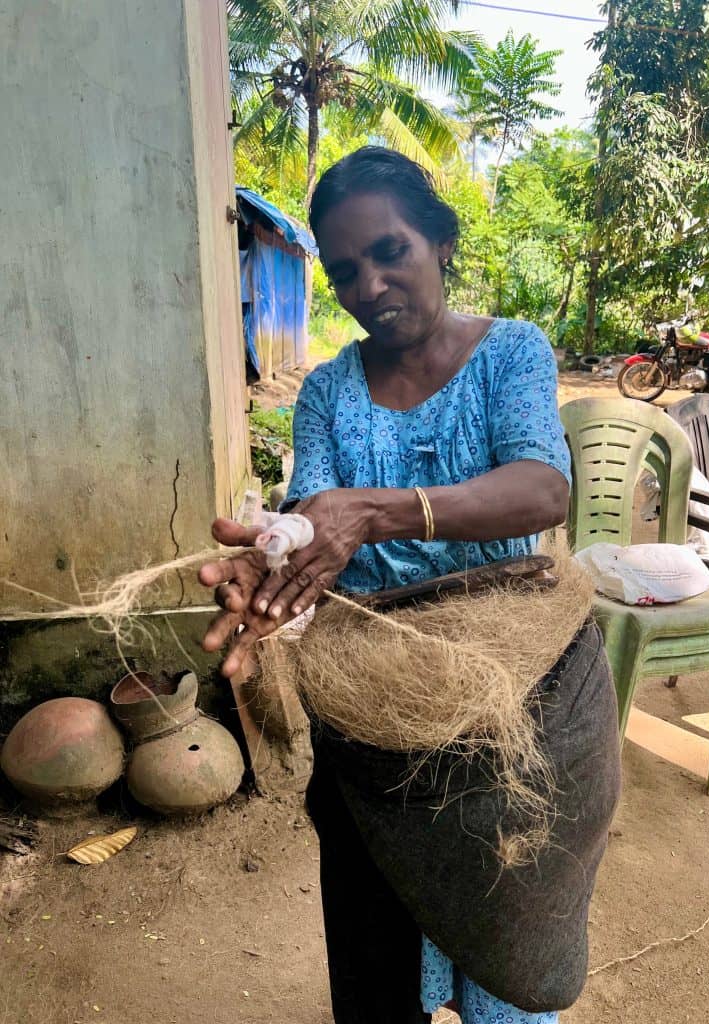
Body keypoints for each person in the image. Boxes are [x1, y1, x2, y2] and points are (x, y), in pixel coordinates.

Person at [199, 147, 621, 1024]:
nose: (371, 285)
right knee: (382, 951)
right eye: (347, 271)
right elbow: (316, 516)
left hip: (516, 711)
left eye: (391, 251)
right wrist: (276, 555)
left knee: (506, 945)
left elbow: (542, 489)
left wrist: (386, 513)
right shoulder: (325, 393)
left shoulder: (511, 352)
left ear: (438, 239)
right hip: (383, 729)